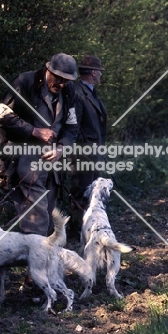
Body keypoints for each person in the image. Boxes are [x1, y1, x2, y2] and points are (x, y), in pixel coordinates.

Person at [0, 53, 79, 236]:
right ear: (48, 70)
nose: (61, 84)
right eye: (59, 78)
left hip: (53, 165)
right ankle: (37, 261)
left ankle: (38, 260)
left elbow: (72, 127)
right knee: (36, 218)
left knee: (47, 217)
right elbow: (2, 116)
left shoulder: (69, 91)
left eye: (66, 80)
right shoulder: (25, 82)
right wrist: (34, 131)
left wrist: (61, 148)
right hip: (23, 160)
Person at [69, 55, 107, 235]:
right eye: (99, 71)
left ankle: (89, 230)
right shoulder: (77, 93)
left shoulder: (89, 91)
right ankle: (77, 233)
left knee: (92, 193)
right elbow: (73, 126)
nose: (101, 74)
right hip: (83, 154)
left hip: (93, 153)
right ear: (93, 72)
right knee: (81, 193)